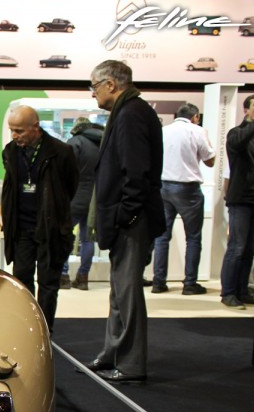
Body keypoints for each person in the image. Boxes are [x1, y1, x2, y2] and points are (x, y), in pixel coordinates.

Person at [84, 60, 164, 383]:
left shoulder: (131, 114)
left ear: (111, 84)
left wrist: (125, 214)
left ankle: (130, 364)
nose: (93, 94)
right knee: (119, 291)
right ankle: (113, 353)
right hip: (128, 218)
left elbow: (137, 173)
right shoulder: (129, 112)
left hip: (132, 219)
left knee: (127, 293)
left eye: (94, 86)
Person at [0, 105, 79, 332]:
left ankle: (44, 331)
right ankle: (25, 330)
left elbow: (70, 187)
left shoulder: (61, 152)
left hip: (50, 230)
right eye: (12, 130)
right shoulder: (10, 152)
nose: (14, 136)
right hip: (21, 229)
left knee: (48, 284)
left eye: (19, 131)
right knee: (21, 281)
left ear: (35, 127)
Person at [151, 103, 216, 295]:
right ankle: (189, 283)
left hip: (163, 186)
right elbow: (210, 161)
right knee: (193, 237)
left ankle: (158, 281)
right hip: (188, 189)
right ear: (195, 117)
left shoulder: (164, 131)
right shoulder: (197, 131)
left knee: (162, 236)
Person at [220, 93, 254, 310]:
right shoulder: (237, 133)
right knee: (237, 247)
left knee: (250, 249)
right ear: (246, 110)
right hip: (241, 200)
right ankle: (228, 293)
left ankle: (242, 290)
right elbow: (238, 144)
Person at [61, 117, 104, 290]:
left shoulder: (75, 142)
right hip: (95, 198)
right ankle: (83, 277)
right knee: (88, 239)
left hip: (75, 196)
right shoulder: (102, 143)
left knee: (64, 235)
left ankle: (63, 275)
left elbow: (65, 170)